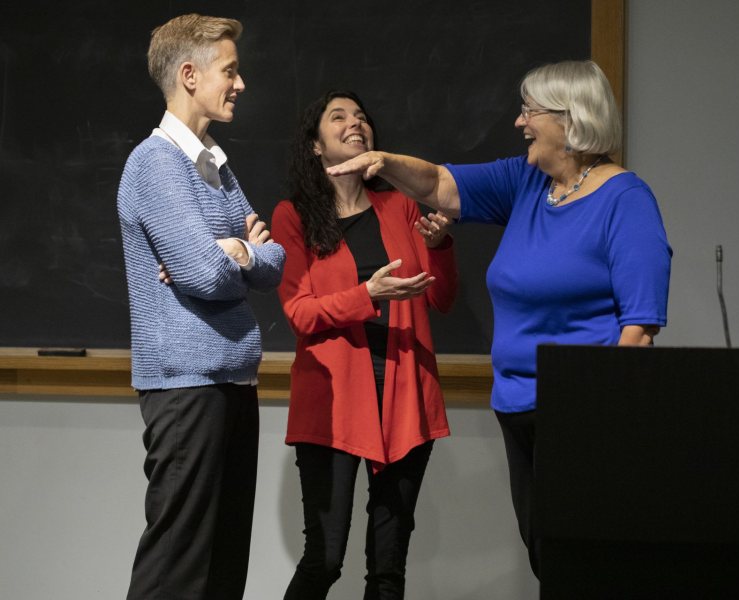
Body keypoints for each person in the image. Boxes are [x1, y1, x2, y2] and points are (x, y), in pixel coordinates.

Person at [327, 60, 672, 578]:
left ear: (571, 119)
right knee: (545, 555)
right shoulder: (528, 182)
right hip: (517, 406)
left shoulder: (626, 200)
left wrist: (611, 420)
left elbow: (640, 329)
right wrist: (382, 160)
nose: (520, 122)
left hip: (583, 411)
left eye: (530, 111)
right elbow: (439, 184)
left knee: (586, 561)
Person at [116, 14, 285, 600]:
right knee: (177, 568)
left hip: (233, 378)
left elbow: (275, 260)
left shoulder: (214, 162)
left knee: (222, 566)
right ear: (189, 75)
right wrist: (239, 250)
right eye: (230, 71)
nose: (240, 84)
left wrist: (233, 252)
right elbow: (202, 272)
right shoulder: (154, 163)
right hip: (186, 385)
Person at [270, 90, 458, 599]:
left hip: (404, 400)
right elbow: (300, 313)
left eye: (361, 117)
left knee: (388, 571)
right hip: (332, 405)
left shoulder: (399, 206)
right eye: (339, 117)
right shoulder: (294, 217)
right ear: (315, 145)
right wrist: (366, 295)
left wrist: (439, 248)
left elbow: (441, 298)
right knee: (324, 560)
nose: (355, 123)